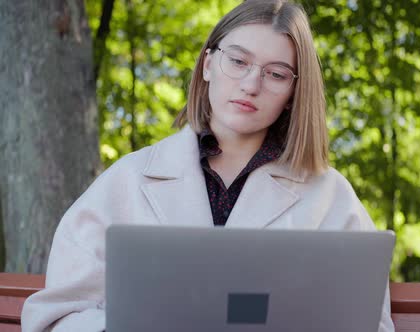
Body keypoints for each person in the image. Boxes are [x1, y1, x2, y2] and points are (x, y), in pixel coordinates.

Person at [21, 0, 395, 331]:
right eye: (238, 60)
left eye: (276, 73)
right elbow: (59, 315)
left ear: (293, 94)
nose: (251, 84)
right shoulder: (128, 179)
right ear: (208, 64)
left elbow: (369, 322)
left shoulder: (330, 196)